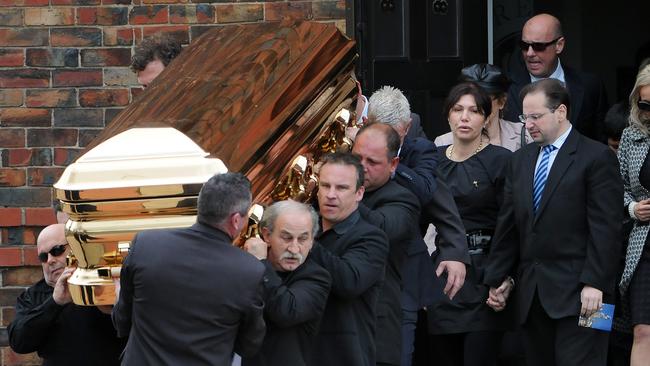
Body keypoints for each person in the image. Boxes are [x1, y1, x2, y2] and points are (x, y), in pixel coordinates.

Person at [485, 78, 622, 366]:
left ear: (561, 112)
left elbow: (606, 227)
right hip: (534, 295)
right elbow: (509, 225)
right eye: (525, 117)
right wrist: (500, 278)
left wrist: (595, 283)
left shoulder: (596, 157)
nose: (528, 124)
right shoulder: (520, 160)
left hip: (589, 296)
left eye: (536, 116)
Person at [112, 172, 266, 365]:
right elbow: (249, 345)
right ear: (236, 220)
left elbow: (122, 321)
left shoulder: (146, 244)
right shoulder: (249, 270)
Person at [364, 86, 469, 366]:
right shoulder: (357, 145)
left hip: (402, 269)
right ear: (366, 123)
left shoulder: (419, 148)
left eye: (394, 135)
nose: (385, 140)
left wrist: (455, 252)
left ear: (407, 127)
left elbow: (436, 198)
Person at [426, 82, 514, 365]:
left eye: (474, 111)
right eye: (457, 109)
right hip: (443, 277)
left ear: (486, 117)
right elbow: (414, 222)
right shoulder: (433, 162)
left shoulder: (501, 160)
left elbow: (511, 224)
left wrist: (505, 277)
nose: (465, 117)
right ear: (448, 115)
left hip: (487, 276)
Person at [350, 122, 421, 366]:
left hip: (374, 336)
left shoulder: (403, 200)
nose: (361, 167)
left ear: (393, 165)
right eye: (357, 157)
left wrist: (344, 192)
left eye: (372, 162)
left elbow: (379, 228)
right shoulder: (331, 191)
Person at [309, 152, 389, 366]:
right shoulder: (306, 228)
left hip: (343, 357)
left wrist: (302, 240)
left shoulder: (371, 237)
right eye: (325, 186)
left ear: (359, 193)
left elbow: (348, 282)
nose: (331, 195)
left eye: (341, 188)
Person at [8, 224, 126, 366]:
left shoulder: (104, 281)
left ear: (77, 248)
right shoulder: (34, 295)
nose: (50, 260)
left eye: (57, 250)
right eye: (43, 257)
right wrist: (54, 302)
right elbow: (19, 342)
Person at [241, 200, 331, 366]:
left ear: (312, 241)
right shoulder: (246, 267)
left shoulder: (317, 277)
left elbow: (286, 311)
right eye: (286, 238)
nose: (294, 249)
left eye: (303, 239)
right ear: (267, 235)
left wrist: (261, 264)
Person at [504, 13, 608, 143]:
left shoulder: (590, 86)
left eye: (538, 46)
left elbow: (600, 142)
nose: (530, 53)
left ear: (559, 45)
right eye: (524, 46)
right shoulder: (507, 89)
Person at [616, 64, 650, 366]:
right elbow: (618, 187)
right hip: (644, 246)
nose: (649, 111)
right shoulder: (631, 136)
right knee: (642, 330)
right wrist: (632, 208)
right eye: (644, 104)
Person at [436, 64, 532, 152]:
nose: (478, 104)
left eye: (485, 99)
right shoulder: (444, 143)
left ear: (502, 101)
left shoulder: (524, 136)